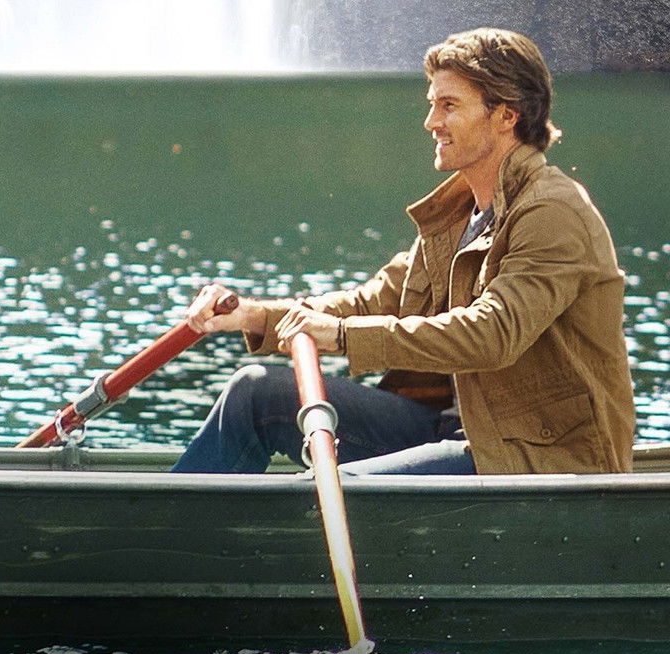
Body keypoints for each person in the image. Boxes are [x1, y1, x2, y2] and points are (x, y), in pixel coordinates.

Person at [172, 28, 634, 476]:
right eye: (432, 105)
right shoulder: (462, 212)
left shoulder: (552, 210)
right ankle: (168, 515)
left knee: (336, 489)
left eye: (449, 106)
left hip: (533, 456)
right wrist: (252, 315)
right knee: (255, 393)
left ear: (506, 115)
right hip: (452, 430)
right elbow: (373, 302)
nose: (431, 122)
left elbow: (493, 333)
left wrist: (341, 335)